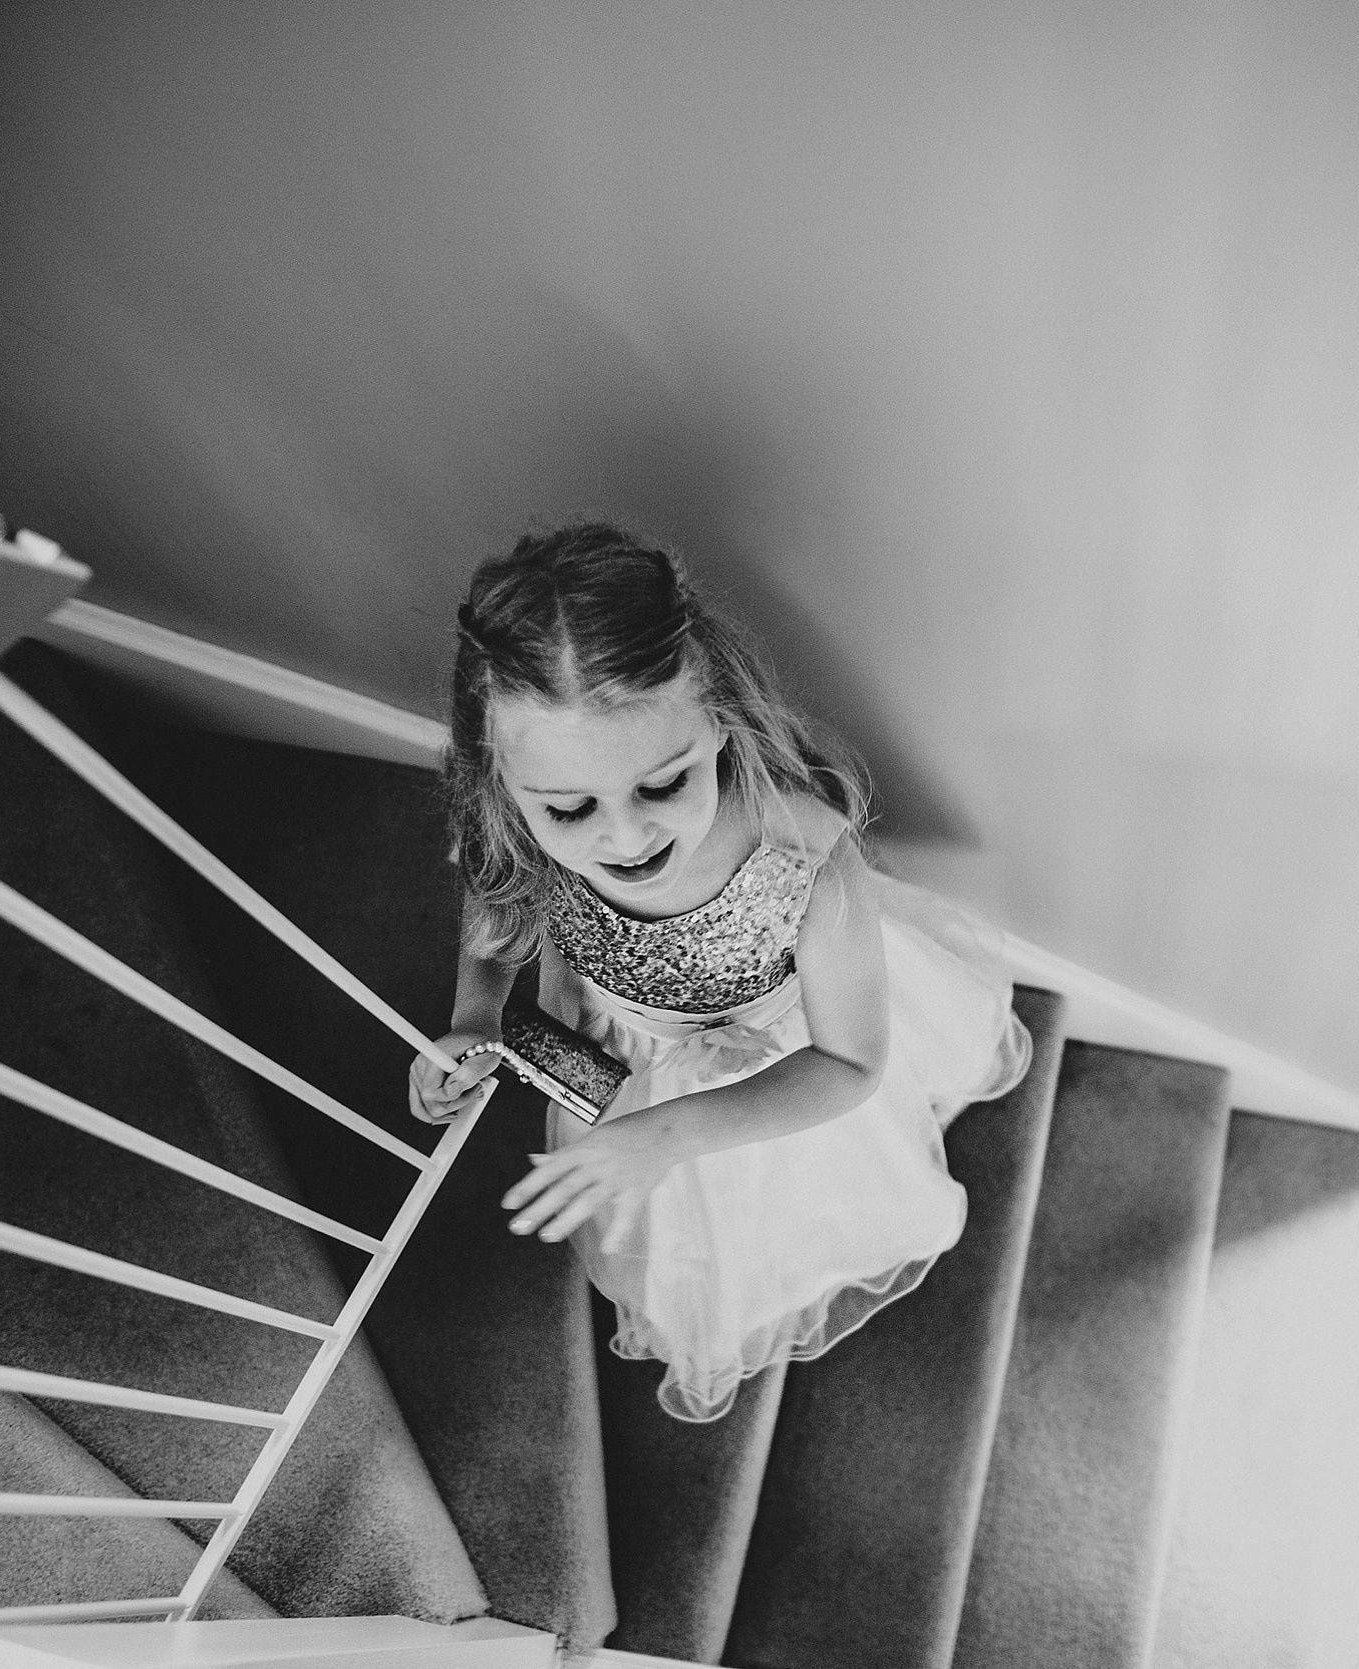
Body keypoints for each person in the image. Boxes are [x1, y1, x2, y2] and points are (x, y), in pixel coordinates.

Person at [407, 521, 1032, 1422]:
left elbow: (850, 1063)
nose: (624, 839)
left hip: (776, 1067)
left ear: (721, 724)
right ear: (504, 785)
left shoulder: (804, 853)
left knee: (781, 1208)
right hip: (616, 1049)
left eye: (662, 785)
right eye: (570, 809)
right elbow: (498, 906)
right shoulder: (511, 825)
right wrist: (475, 1013)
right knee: (668, 1226)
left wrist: (667, 1134)